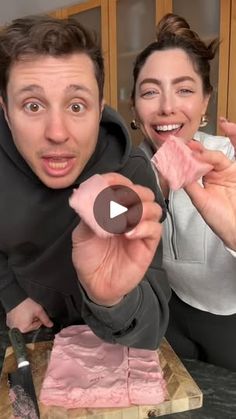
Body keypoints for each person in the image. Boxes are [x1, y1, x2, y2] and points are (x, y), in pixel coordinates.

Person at [0, 15, 171, 349]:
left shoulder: (129, 176)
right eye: (32, 105)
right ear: (5, 111)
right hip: (16, 324)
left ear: (100, 108)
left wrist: (113, 301)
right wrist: (12, 295)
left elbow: (151, 329)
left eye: (77, 106)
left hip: (100, 338)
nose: (57, 133)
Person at [130, 13, 236, 369]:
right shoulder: (128, 167)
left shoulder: (228, 159)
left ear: (206, 102)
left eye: (185, 89)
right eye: (150, 91)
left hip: (229, 315)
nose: (166, 107)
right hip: (170, 311)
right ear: (134, 106)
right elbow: (109, 237)